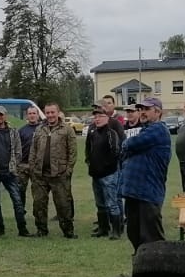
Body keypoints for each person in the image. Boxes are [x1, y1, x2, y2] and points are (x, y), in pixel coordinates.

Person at [118, 96, 171, 250]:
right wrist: (127, 145)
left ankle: (159, 270)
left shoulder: (159, 129)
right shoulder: (144, 130)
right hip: (134, 192)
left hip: (148, 192)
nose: (142, 112)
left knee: (152, 238)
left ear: (158, 112)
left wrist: (127, 143)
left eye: (147, 109)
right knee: (134, 234)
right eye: (141, 109)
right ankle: (141, 268)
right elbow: (124, 151)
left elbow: (131, 143)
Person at [27, 102, 77, 239]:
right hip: (40, 175)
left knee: (63, 205)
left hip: (59, 174)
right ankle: (41, 230)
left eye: (52, 112)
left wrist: (68, 171)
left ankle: (68, 231)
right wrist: (32, 168)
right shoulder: (39, 129)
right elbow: (33, 150)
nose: (50, 115)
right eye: (47, 112)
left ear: (57, 112)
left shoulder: (67, 129)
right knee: (39, 204)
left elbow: (72, 152)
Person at [0, 106, 29, 237]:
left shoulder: (13, 131)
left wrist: (13, 165)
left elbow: (18, 150)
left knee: (17, 201)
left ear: (5, 116)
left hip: (10, 173)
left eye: (1, 115)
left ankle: (22, 229)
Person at [85, 104, 123, 239]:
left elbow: (115, 153)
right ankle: (103, 228)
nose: (97, 119)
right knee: (100, 204)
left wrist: (106, 167)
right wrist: (89, 162)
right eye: (95, 116)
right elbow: (88, 150)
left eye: (100, 116)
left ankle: (116, 231)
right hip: (95, 174)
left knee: (112, 203)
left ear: (107, 117)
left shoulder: (111, 134)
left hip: (109, 174)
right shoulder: (92, 132)